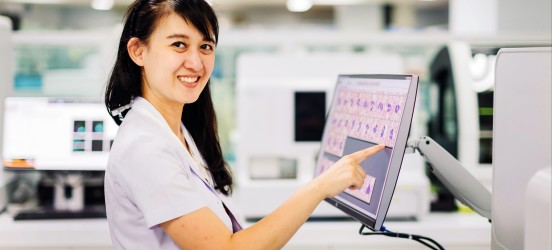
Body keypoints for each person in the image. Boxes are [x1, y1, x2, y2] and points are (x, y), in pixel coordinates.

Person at [103, 0, 385, 249]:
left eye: (205, 46)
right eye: (179, 44)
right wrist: (319, 187)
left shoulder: (178, 133)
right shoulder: (145, 148)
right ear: (138, 51)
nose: (196, 62)